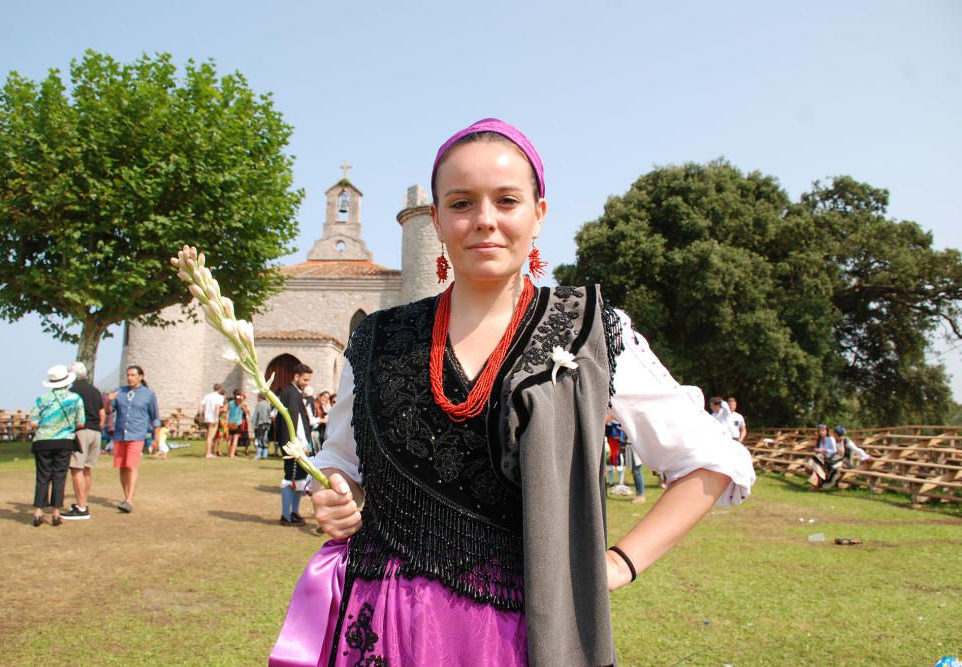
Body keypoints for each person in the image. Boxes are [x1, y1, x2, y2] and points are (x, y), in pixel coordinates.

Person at [300, 118, 755, 666]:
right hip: (387, 626)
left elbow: (710, 459)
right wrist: (334, 494)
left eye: (507, 200)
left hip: (525, 635)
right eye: (462, 203)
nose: (485, 221)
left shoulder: (589, 331)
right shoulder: (377, 339)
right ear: (437, 221)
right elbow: (340, 462)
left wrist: (620, 563)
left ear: (538, 214)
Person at [29, 365, 85, 527]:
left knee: (42, 476)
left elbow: (33, 423)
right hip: (64, 441)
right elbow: (81, 423)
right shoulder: (75, 399)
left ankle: (38, 511)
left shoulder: (41, 399)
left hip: (42, 441)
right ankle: (55, 512)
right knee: (59, 476)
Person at [110, 365, 161, 513]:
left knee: (132, 466)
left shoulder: (148, 394)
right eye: (128, 375)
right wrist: (109, 401)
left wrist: (156, 438)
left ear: (140, 376)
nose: (129, 378)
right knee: (122, 467)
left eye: (133, 375)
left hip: (137, 434)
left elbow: (155, 417)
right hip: (120, 434)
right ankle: (126, 497)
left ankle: (129, 499)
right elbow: (109, 410)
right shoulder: (120, 392)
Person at [61, 362, 104, 521]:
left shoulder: (72, 392)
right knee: (87, 469)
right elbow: (102, 413)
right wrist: (99, 428)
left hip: (81, 431)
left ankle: (81, 508)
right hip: (95, 432)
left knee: (76, 468)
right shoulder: (95, 391)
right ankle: (83, 502)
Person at [277, 363, 315, 526]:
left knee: (299, 479)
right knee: (290, 478)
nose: (307, 383)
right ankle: (286, 515)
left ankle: (294, 512)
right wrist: (302, 444)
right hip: (295, 446)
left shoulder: (294, 393)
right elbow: (295, 422)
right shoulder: (292, 394)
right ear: (296, 376)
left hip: (296, 445)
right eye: (305, 379)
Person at [808, 423, 842, 490]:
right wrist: (817, 450)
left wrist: (824, 450)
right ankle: (817, 483)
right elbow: (819, 450)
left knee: (813, 464)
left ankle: (816, 484)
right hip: (821, 458)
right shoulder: (820, 440)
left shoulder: (830, 439)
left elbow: (834, 450)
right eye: (819, 431)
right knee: (809, 466)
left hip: (830, 459)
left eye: (823, 430)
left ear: (826, 431)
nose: (821, 432)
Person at [201, 383, 225, 458]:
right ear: (220, 389)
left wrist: (201, 415)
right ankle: (208, 453)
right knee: (210, 437)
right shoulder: (219, 397)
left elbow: (201, 405)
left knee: (209, 436)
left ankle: (209, 452)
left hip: (207, 418)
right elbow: (217, 407)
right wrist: (216, 418)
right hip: (213, 418)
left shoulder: (207, 396)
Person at [226, 389, 248, 458]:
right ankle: (232, 454)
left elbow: (225, 411)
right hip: (237, 423)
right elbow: (246, 412)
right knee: (235, 439)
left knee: (229, 439)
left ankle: (229, 453)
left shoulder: (230, 403)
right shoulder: (242, 403)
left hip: (230, 422)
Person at [252, 393, 272, 461]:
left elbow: (256, 415)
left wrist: (254, 424)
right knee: (265, 438)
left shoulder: (259, 404)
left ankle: (258, 455)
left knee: (259, 438)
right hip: (268, 423)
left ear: (259, 397)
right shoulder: (268, 404)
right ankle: (265, 455)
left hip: (260, 424)